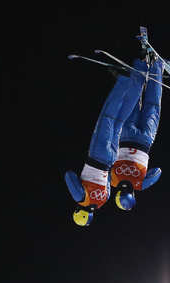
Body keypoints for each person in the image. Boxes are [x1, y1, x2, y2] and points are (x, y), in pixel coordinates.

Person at [64, 59, 160, 226]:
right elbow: (69, 176)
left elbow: (156, 172)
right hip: (97, 154)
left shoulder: (104, 200)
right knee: (108, 115)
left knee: (122, 117)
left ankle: (137, 77)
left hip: (111, 157)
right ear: (78, 211)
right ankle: (123, 80)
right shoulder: (81, 198)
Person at [109, 58, 164, 210]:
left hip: (145, 140)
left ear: (132, 195)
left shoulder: (140, 184)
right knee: (132, 101)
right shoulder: (112, 181)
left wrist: (139, 180)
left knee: (152, 105)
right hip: (125, 135)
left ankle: (157, 66)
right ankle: (139, 65)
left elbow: (157, 172)